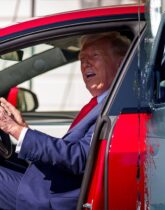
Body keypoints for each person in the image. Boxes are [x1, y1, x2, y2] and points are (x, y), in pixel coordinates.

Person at [0, 31, 131, 209]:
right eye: (82, 59)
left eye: (94, 55)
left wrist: (14, 129)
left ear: (121, 63)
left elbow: (77, 158)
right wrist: (23, 128)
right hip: (49, 184)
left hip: (53, 197)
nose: (86, 64)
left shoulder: (116, 108)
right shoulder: (101, 104)